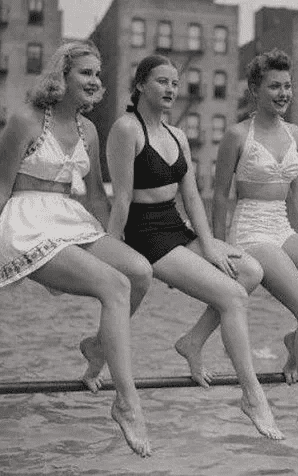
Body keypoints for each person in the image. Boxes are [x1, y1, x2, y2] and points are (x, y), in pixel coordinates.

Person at [0, 40, 153, 456]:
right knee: (115, 287)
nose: (94, 81)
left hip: (70, 218)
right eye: (85, 72)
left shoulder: (88, 130)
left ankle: (97, 346)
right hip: (26, 221)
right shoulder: (25, 121)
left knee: (138, 272)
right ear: (62, 75)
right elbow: (0, 189)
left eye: (97, 74)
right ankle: (127, 403)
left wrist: (111, 241)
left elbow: (95, 195)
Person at [105, 54, 283, 441]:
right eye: (162, 81)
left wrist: (210, 246)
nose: (171, 89)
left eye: (174, 82)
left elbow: (192, 198)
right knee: (233, 297)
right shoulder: (126, 128)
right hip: (145, 236)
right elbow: (121, 199)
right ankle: (253, 396)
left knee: (250, 271)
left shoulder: (177, 136)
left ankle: (192, 341)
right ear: (140, 85)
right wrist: (112, 252)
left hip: (176, 228)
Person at [207, 49, 298, 455]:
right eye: (274, 86)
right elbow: (220, 196)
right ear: (254, 89)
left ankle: (297, 342)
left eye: (287, 86)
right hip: (251, 231)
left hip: (282, 226)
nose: (283, 92)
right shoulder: (238, 135)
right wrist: (218, 250)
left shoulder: (296, 134)